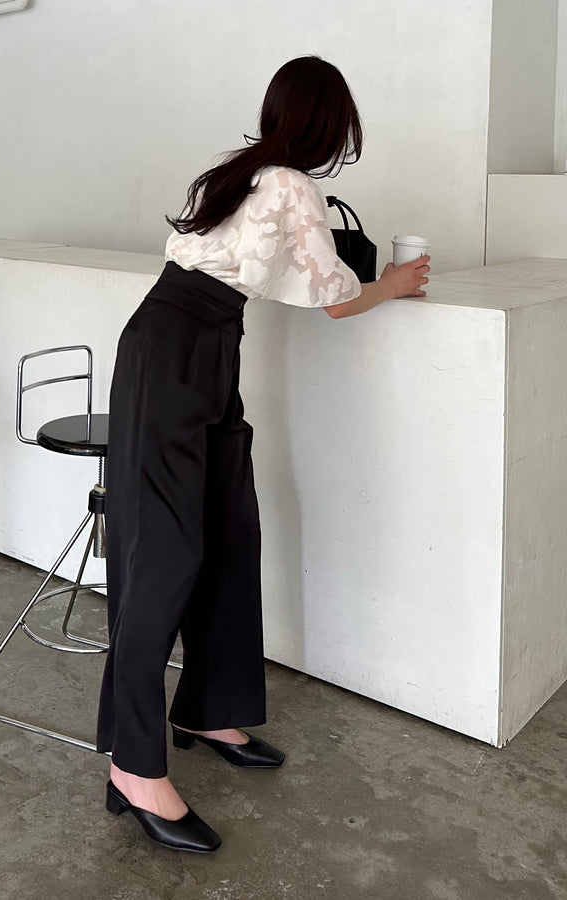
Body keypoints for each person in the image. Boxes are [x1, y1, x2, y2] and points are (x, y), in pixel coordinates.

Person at [96, 55, 430, 853]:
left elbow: (270, 275)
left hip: (198, 348)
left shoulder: (242, 173)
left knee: (228, 533)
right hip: (175, 354)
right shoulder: (287, 183)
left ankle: (209, 710)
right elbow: (336, 298)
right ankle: (133, 766)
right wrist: (396, 282)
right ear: (327, 124)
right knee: (166, 555)